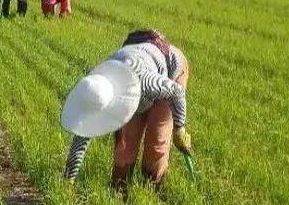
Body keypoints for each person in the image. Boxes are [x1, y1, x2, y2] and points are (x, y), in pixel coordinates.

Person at [62, 29, 192, 192]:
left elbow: (176, 92)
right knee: (124, 145)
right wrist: (68, 182)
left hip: (169, 73)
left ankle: (152, 188)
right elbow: (80, 142)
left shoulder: (146, 82)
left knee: (156, 141)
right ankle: (119, 190)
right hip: (135, 73)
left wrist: (180, 129)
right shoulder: (96, 89)